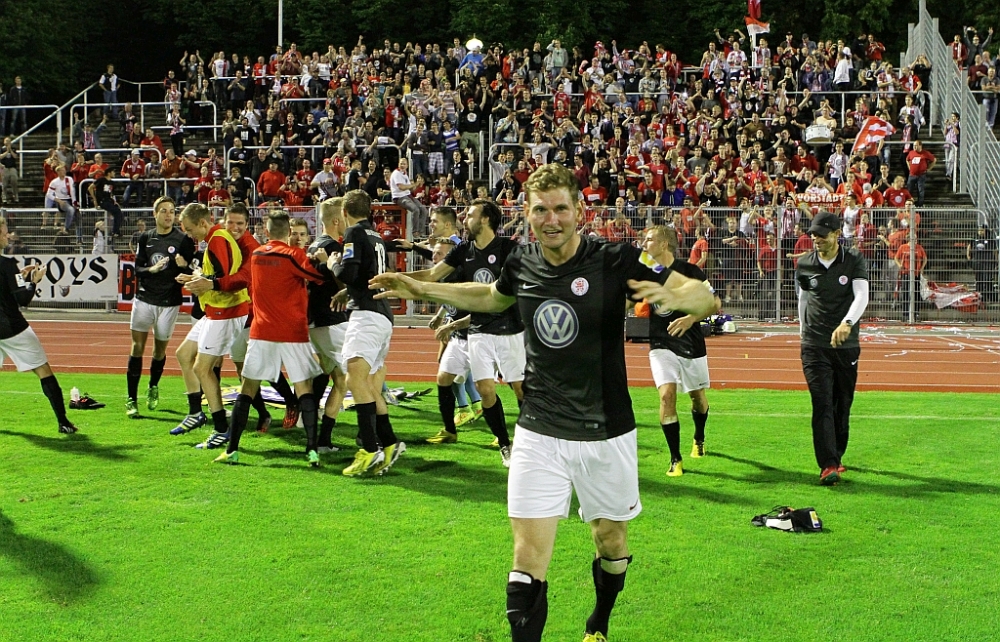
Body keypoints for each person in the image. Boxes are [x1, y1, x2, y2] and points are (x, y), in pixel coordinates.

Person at [372, 163, 715, 642]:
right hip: (539, 430)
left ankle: (599, 619)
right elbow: (491, 297)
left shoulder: (616, 259)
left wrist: (693, 298)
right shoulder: (521, 261)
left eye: (560, 209)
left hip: (606, 432)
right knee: (526, 558)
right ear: (527, 214)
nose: (551, 219)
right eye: (540, 210)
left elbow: (694, 293)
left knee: (610, 541)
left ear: (579, 213)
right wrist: (422, 287)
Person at [403, 198, 525, 466]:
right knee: (485, 389)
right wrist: (400, 278)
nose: (464, 219)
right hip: (479, 329)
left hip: (510, 329)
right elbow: (432, 275)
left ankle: (531, 440)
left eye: (470, 215)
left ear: (485, 219)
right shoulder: (463, 250)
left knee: (520, 390)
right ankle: (505, 444)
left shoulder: (509, 249)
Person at [214, 211, 326, 466]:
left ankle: (232, 450)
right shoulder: (292, 255)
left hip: (262, 330)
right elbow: (318, 277)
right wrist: (323, 261)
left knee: (247, 388)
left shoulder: (256, 255)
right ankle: (312, 450)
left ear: (266, 231)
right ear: (288, 232)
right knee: (304, 388)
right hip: (292, 332)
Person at [328, 189, 405, 476]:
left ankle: (370, 449)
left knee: (354, 377)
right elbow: (365, 277)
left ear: (344, 212)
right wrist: (349, 291)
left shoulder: (354, 233)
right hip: (382, 314)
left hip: (367, 315)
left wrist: (331, 263)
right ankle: (389, 443)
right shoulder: (376, 236)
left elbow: (348, 272)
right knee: (370, 384)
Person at [795, 211, 870, 486]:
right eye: (813, 235)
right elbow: (803, 298)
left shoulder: (853, 260)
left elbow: (862, 295)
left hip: (845, 345)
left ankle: (837, 456)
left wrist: (847, 323)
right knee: (822, 402)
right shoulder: (804, 263)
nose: (816, 240)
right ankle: (827, 464)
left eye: (822, 235)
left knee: (842, 404)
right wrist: (802, 330)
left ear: (837, 234)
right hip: (814, 344)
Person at [641, 226, 720, 477]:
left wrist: (691, 318)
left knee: (697, 398)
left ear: (664, 244)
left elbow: (715, 304)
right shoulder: (646, 271)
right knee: (666, 396)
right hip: (660, 344)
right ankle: (675, 458)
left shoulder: (690, 271)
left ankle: (699, 437)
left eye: (649, 240)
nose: (644, 244)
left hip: (690, 343)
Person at [170, 203, 251, 443]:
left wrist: (206, 283)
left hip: (226, 311)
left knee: (202, 368)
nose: (189, 234)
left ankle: (221, 428)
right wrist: (197, 278)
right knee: (184, 354)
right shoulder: (215, 239)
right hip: (216, 310)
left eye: (189, 229)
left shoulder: (217, 240)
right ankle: (196, 413)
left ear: (203, 223)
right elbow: (218, 276)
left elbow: (226, 279)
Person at [0, 215, 77, 434]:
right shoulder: (7, 264)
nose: (8, 235)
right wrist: (33, 281)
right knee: (43, 370)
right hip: (13, 329)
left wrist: (21, 278)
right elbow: (22, 299)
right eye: (4, 230)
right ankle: (63, 422)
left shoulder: (9, 266)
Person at [126, 197, 195, 417]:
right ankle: (131, 399)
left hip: (169, 303)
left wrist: (186, 268)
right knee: (137, 347)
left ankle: (153, 386)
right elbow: (137, 269)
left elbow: (193, 273)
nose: (168, 215)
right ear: (155, 214)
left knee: (159, 351)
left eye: (172, 211)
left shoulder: (183, 240)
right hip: (144, 299)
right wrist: (152, 270)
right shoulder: (145, 238)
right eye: (164, 211)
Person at [305, 197, 351, 453]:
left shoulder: (315, 244)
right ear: (336, 220)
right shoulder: (333, 248)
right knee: (348, 379)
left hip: (316, 321)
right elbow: (345, 284)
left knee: (326, 372)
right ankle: (325, 440)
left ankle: (312, 433)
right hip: (332, 320)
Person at [968, 225, 998, 303]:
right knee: (979, 280)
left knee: (987, 280)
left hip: (988, 263)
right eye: (979, 230)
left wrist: (996, 261)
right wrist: (969, 257)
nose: (980, 232)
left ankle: (992, 298)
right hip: (977, 263)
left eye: (982, 230)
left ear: (985, 231)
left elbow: (995, 251)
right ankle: (979, 297)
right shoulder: (974, 238)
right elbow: (969, 247)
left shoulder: (990, 239)